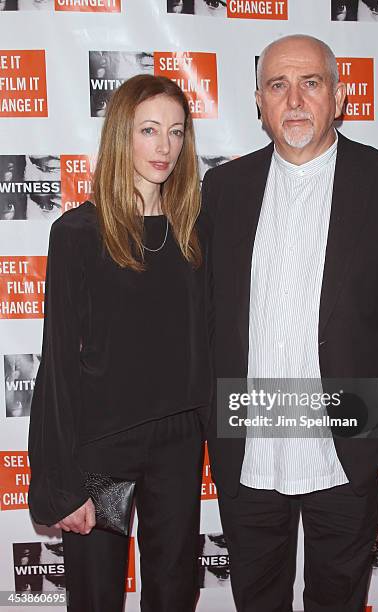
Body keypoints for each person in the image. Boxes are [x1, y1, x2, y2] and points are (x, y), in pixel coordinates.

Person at [201, 34, 378, 611]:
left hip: (348, 442)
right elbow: (206, 317)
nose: (295, 100)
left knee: (337, 597)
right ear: (259, 103)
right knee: (257, 599)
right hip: (250, 443)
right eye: (278, 86)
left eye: (311, 82)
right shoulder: (225, 189)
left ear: (339, 96)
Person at [28, 74, 211, 612]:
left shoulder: (195, 232)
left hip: (179, 440)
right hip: (101, 446)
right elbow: (58, 362)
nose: (164, 147)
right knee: (95, 598)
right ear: (120, 137)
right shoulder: (78, 234)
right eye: (149, 130)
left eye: (176, 133)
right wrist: (61, 482)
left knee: (175, 592)